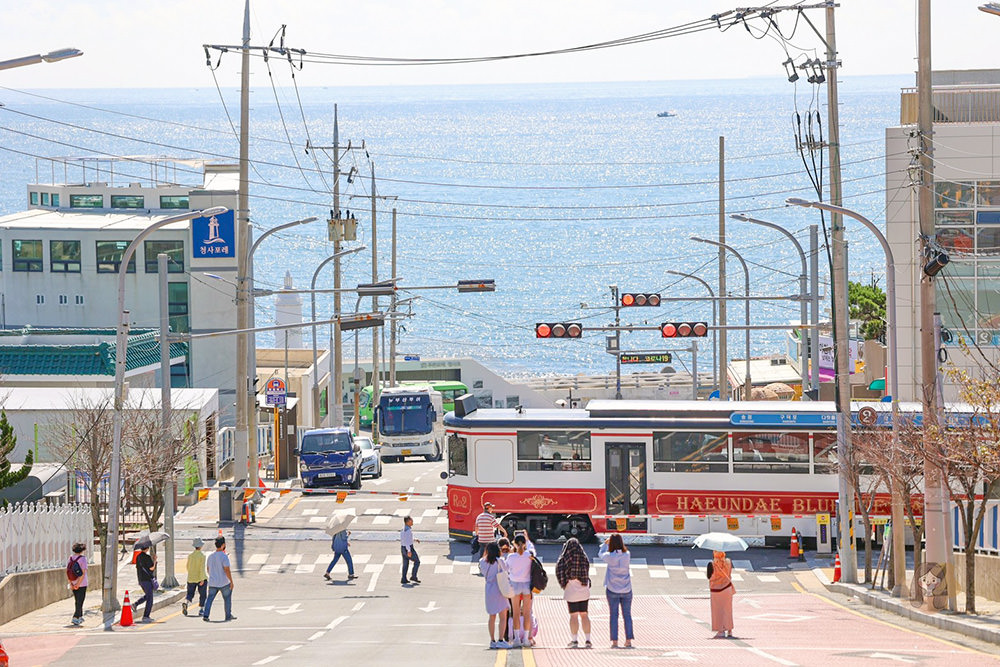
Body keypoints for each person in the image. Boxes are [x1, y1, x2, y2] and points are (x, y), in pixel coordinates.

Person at [598, 534, 634, 648]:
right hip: (626, 588)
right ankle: (628, 640)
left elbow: (600, 554)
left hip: (612, 588)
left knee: (614, 615)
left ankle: (615, 641)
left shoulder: (609, 556)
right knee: (627, 615)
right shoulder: (627, 555)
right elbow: (623, 551)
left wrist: (605, 544)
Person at [556, 537, 592, 648]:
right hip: (583, 589)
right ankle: (588, 640)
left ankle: (574, 640)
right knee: (584, 614)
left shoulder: (564, 558)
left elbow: (559, 570)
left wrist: (564, 583)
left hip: (571, 589)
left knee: (573, 616)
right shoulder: (584, 557)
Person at [479, 542, 512, 649]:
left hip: (489, 589)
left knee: (491, 616)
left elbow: (483, 572)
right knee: (503, 616)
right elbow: (507, 570)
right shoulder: (500, 561)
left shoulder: (482, 562)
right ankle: (501, 639)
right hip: (500, 589)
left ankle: (492, 640)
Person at [505, 533, 534, 647]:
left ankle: (516, 639)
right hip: (527, 585)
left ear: (514, 544)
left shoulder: (511, 557)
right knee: (527, 613)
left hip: (514, 585)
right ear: (525, 543)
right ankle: (526, 639)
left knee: (515, 613)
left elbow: (507, 569)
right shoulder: (529, 555)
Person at [204, 536, 236, 622]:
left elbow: (208, 569)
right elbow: (227, 570)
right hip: (224, 582)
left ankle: (206, 615)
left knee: (209, 599)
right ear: (223, 545)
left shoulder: (210, 556)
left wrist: (212, 576)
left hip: (213, 582)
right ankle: (228, 615)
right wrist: (231, 581)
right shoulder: (224, 556)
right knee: (227, 598)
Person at [708, 550, 735, 638]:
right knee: (727, 609)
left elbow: (709, 576)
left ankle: (721, 630)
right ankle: (729, 630)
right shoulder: (728, 562)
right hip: (727, 588)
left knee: (718, 610)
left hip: (715, 590)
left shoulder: (711, 564)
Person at [183, 537, 208, 617]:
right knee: (202, 594)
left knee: (190, 593)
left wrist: (191, 573)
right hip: (200, 577)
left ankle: (186, 602)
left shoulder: (190, 555)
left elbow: (187, 566)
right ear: (200, 546)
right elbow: (201, 568)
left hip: (191, 577)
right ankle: (201, 609)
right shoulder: (202, 556)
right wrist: (202, 579)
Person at [132, 545, 157, 623]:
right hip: (147, 580)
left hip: (141, 579)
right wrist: (155, 561)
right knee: (150, 598)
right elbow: (151, 568)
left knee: (148, 595)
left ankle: (135, 604)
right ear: (147, 548)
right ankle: (146, 616)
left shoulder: (138, 557)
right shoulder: (147, 557)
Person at [67, 542, 88, 626]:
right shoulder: (83, 559)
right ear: (82, 550)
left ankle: (80, 616)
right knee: (80, 601)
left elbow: (68, 572)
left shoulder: (70, 558)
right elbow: (83, 573)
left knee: (77, 600)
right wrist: (78, 584)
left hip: (73, 581)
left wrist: (71, 583)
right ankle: (75, 617)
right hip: (82, 583)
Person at [400, 516, 421, 585]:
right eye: (411, 520)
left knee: (405, 564)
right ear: (408, 522)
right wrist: (409, 550)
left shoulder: (403, 529)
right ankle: (413, 576)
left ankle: (403, 579)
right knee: (417, 561)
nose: (412, 521)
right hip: (408, 548)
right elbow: (407, 542)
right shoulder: (408, 530)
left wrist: (414, 540)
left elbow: (406, 539)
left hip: (403, 548)